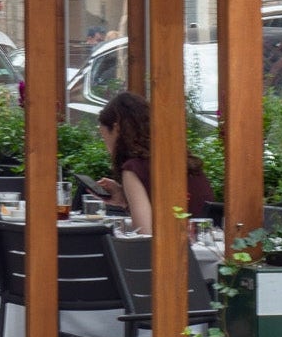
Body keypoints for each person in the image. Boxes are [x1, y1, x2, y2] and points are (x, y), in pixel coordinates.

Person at [91, 90, 216, 237]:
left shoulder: (133, 169)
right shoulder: (184, 161)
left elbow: (144, 235)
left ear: (117, 129)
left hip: (175, 255)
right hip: (209, 251)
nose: (106, 145)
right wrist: (125, 200)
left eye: (104, 136)